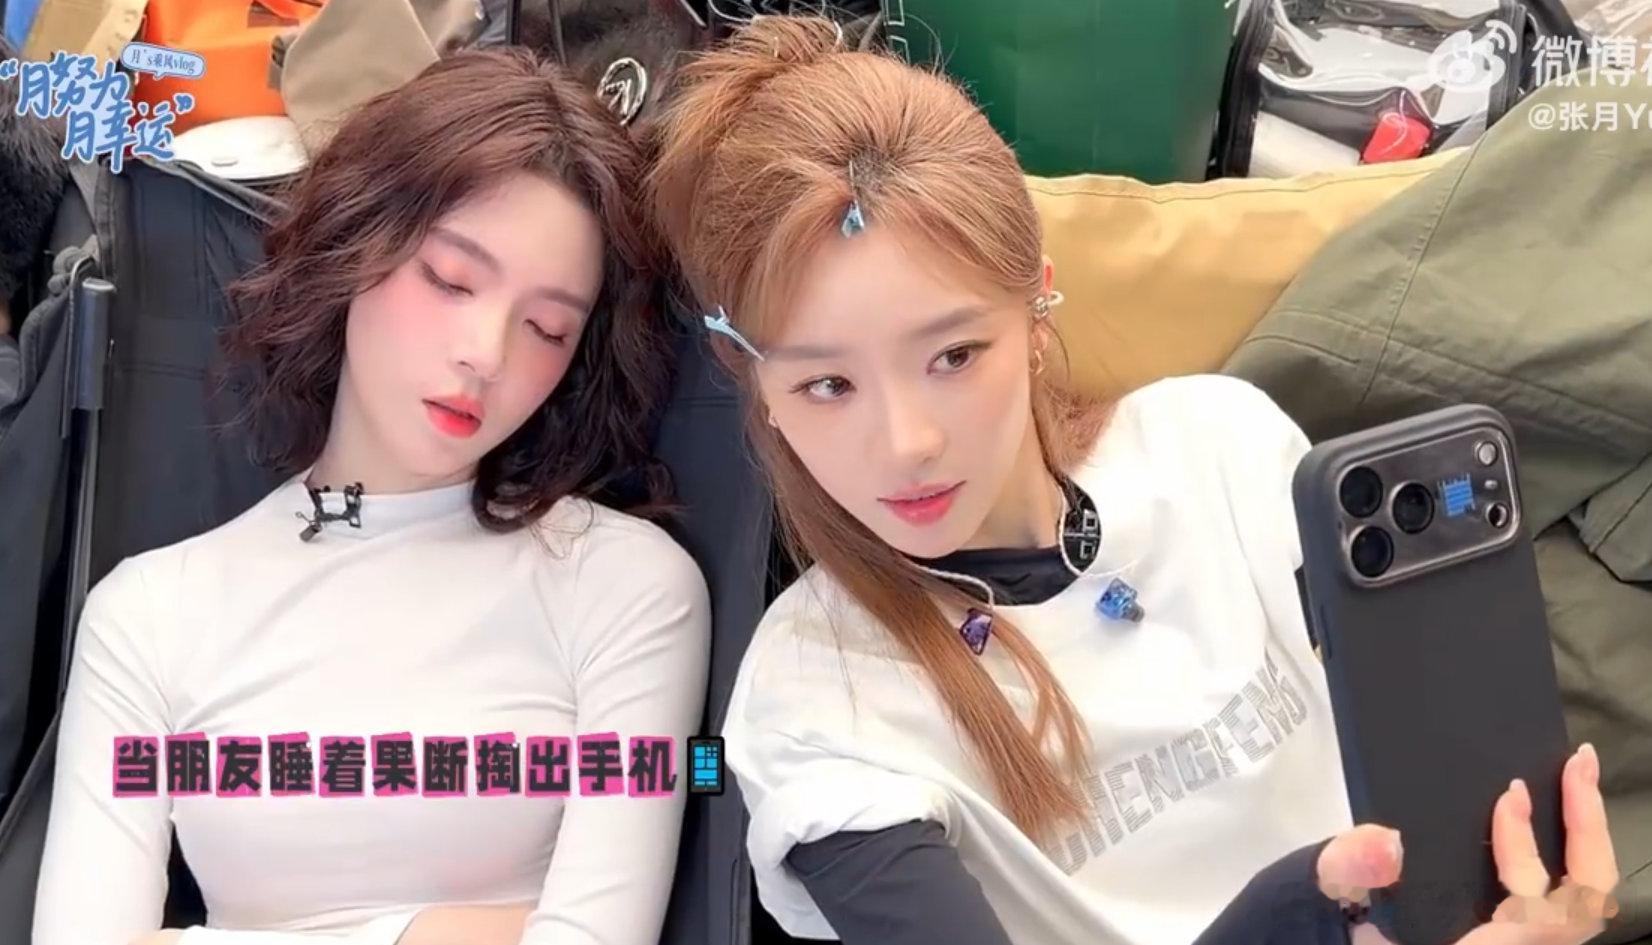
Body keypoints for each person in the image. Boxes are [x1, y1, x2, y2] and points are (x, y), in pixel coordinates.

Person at [646, 15, 1618, 945]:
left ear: (1035, 309)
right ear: (757, 386)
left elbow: (1439, 757)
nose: (906, 443)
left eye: (952, 355)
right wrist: (1299, 915)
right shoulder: (818, 700)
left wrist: (1527, 882)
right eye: (826, 385)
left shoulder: (1217, 445)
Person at [33, 48, 710, 945]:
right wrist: (434, 932)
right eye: (451, 280)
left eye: (547, 328)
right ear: (354, 245)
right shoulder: (150, 616)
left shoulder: (625, 588)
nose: (486, 353)